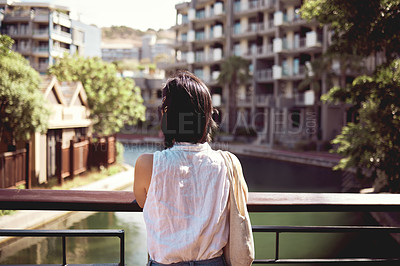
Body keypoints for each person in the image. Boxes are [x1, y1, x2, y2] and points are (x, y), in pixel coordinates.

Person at [134, 70, 248, 266]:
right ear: (207, 118)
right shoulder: (229, 163)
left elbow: (145, 202)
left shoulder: (147, 164)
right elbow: (240, 200)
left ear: (166, 116)